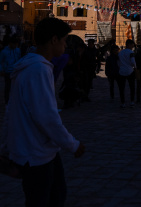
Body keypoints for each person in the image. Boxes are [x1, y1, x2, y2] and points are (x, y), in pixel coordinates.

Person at [0, 17, 85, 207]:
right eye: (63, 41)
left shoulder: (30, 66)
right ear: (54, 40)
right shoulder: (38, 69)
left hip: (41, 151)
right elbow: (47, 116)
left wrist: (6, 145)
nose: (65, 46)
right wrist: (72, 144)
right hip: (35, 154)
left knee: (55, 195)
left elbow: (11, 109)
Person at [0, 36, 21, 104]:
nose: (15, 45)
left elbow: (19, 59)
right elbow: (0, 61)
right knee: (8, 87)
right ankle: (7, 102)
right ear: (10, 43)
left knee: (16, 87)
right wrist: (1, 70)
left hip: (16, 71)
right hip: (7, 72)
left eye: (16, 44)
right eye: (14, 44)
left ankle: (14, 100)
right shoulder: (4, 52)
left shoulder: (18, 50)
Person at [118, 39, 137, 108]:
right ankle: (132, 101)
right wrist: (135, 67)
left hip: (121, 71)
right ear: (129, 44)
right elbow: (133, 62)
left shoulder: (120, 52)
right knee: (132, 87)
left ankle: (122, 102)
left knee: (121, 88)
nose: (133, 46)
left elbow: (118, 62)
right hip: (130, 71)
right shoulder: (131, 52)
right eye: (132, 44)